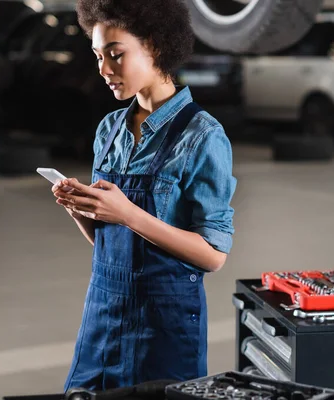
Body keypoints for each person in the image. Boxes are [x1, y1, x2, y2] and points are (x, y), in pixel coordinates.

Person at [51, 0, 237, 392]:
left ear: (153, 45)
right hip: (103, 317)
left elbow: (213, 256)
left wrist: (128, 214)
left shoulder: (203, 136)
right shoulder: (110, 129)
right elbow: (113, 245)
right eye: (98, 56)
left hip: (163, 327)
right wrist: (82, 210)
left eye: (116, 55)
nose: (104, 70)